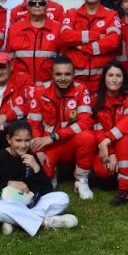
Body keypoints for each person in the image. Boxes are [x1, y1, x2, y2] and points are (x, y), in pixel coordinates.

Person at [0, 121, 78, 236]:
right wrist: (9, 183)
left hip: (30, 203)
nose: (23, 145)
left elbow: (47, 191)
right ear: (9, 139)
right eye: (18, 140)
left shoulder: (31, 157)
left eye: (27, 140)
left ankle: (17, 222)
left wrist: (36, 168)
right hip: (8, 202)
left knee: (63, 198)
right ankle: (45, 222)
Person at [26, 55, 97, 199]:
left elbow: (86, 121)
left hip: (69, 141)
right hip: (49, 146)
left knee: (88, 137)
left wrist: (55, 136)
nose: (63, 78)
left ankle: (81, 180)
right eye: (58, 74)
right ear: (52, 74)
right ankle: (53, 172)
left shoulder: (81, 90)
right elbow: (34, 124)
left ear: (73, 74)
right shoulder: (40, 91)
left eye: (67, 74)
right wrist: (37, 149)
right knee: (45, 180)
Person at [92, 62, 128, 206]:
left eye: (118, 76)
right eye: (110, 75)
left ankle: (125, 189)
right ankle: (124, 177)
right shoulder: (97, 100)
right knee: (102, 171)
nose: (114, 80)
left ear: (123, 79)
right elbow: (97, 129)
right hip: (109, 146)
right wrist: (112, 151)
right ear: (104, 78)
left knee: (125, 139)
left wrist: (108, 140)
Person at [59, 0, 122, 88]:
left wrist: (81, 46)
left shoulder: (111, 15)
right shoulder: (71, 13)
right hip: (75, 81)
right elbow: (65, 37)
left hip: (102, 82)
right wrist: (97, 35)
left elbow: (113, 41)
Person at [6, 0, 63, 86]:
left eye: (41, 3)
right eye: (33, 3)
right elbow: (8, 59)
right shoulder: (14, 29)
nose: (37, 5)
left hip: (49, 86)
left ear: (47, 6)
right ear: (27, 6)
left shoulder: (58, 29)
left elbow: (63, 60)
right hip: (21, 85)